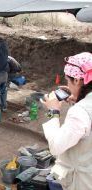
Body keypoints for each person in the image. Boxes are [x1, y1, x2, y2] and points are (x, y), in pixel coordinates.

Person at [41, 52, 92, 189]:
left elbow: (56, 147)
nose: (67, 85)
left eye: (68, 81)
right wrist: (78, 98)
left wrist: (53, 112)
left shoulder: (79, 112)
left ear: (77, 80)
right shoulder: (85, 106)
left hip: (83, 182)